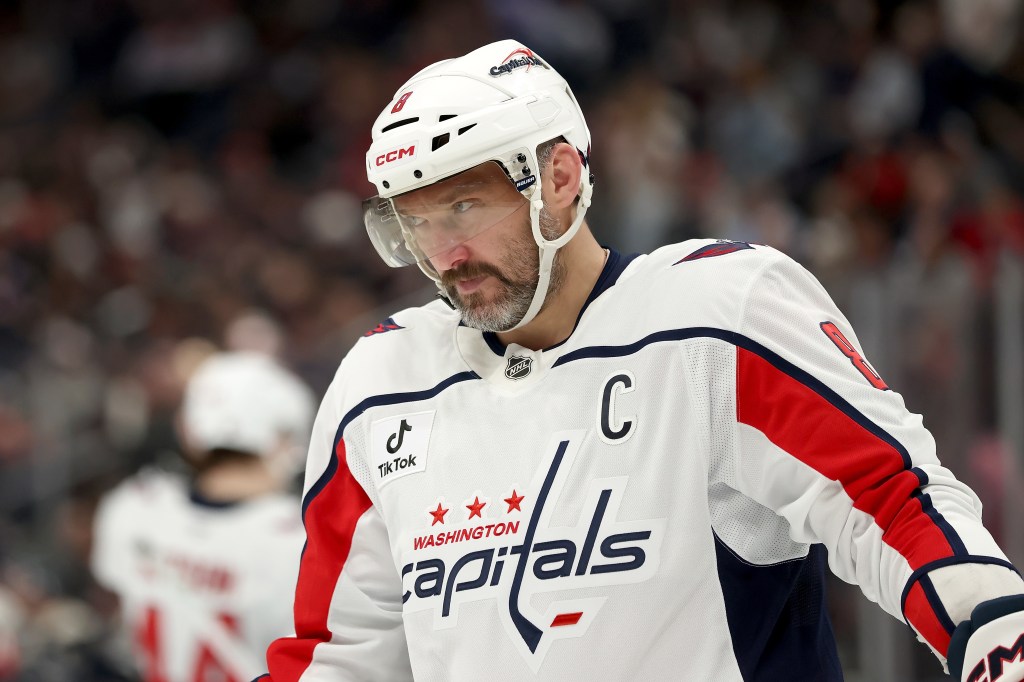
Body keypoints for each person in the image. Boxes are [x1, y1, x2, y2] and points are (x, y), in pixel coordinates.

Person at [259, 40, 1024, 681]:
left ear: (558, 178)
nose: (445, 256)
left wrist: (990, 626)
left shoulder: (715, 319)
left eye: (465, 208)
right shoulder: (382, 382)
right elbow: (340, 652)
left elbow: (888, 499)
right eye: (417, 224)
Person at [92, 351, 315, 682]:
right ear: (283, 438)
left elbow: (115, 618)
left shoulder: (134, 506)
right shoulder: (303, 541)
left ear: (190, 429)